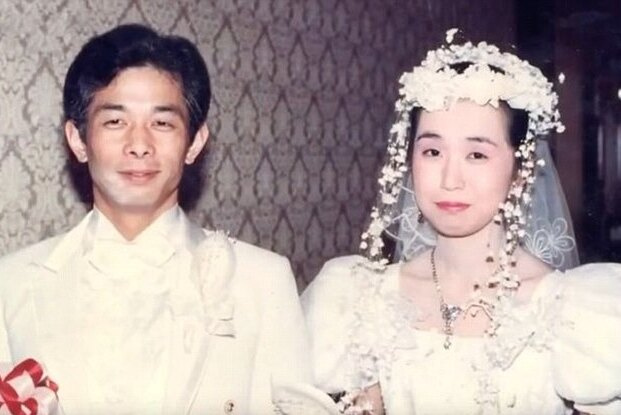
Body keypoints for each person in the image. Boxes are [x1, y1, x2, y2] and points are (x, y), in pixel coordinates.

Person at [302, 29, 621, 414]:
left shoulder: (573, 312)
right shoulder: (361, 298)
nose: (450, 179)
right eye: (432, 151)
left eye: (477, 155)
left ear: (520, 172)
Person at [0, 24, 309, 415]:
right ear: (78, 140)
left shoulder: (262, 281)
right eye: (115, 122)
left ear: (194, 142)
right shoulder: (12, 283)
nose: (140, 145)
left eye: (162, 123)